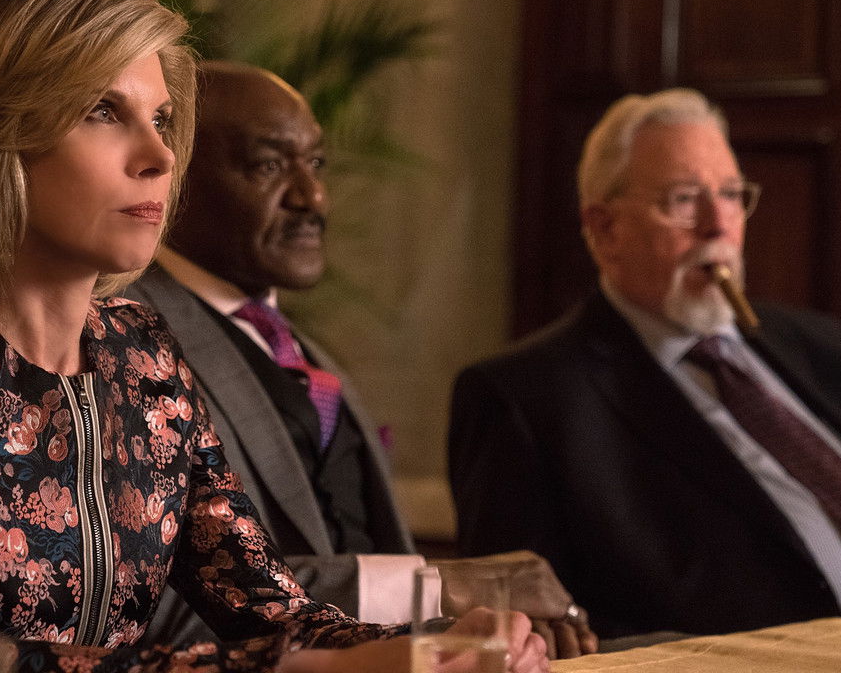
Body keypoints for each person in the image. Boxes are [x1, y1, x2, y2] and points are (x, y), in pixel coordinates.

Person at [0, 0, 548, 673]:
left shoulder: (143, 353)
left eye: (162, 118)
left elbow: (271, 609)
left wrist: (440, 645)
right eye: (102, 112)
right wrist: (305, 670)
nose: (160, 155)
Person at [447, 88, 841, 638]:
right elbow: (531, 628)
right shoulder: (525, 399)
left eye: (731, 194)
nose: (718, 225)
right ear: (605, 229)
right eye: (683, 199)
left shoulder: (817, 343)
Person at [125, 61, 597, 658]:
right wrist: (436, 588)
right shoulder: (127, 333)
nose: (313, 197)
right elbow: (161, 603)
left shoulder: (301, 353)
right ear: (175, 174)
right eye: (269, 165)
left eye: (316, 164)